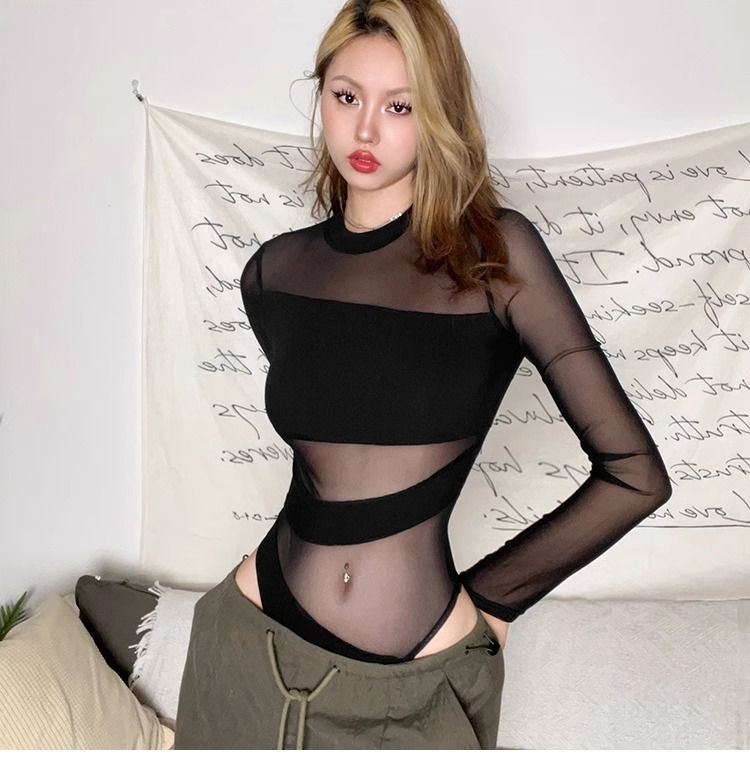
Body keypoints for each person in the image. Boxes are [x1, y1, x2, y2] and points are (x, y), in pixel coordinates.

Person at [174, 0, 672, 750]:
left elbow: (635, 475)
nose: (366, 130)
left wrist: (492, 601)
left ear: (437, 114)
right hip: (249, 644)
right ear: (320, 96)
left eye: (399, 106)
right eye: (347, 97)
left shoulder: (497, 259)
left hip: (412, 688)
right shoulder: (273, 273)